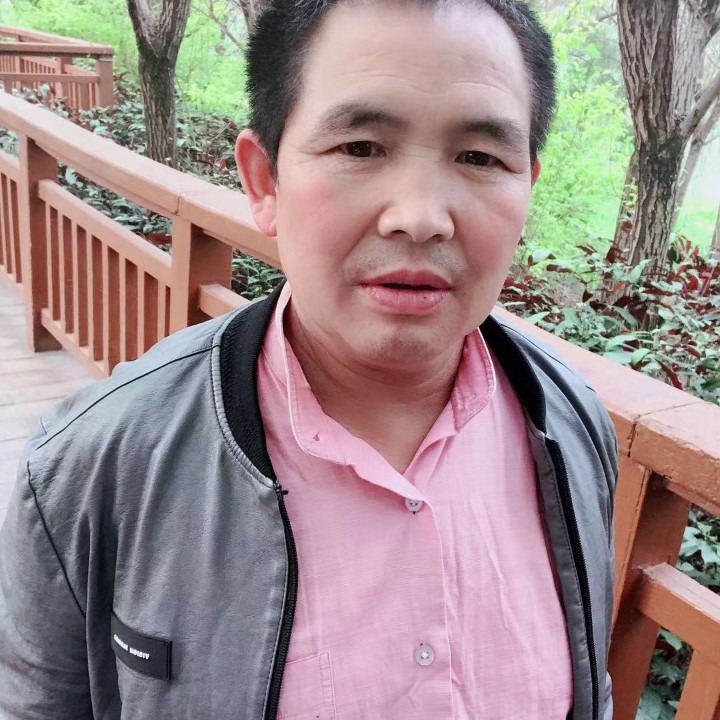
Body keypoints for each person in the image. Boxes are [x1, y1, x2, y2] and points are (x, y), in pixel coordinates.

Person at [0, 0, 618, 718]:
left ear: (527, 187)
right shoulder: (91, 468)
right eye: (361, 147)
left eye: (479, 158)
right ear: (264, 180)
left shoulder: (571, 428)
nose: (420, 217)